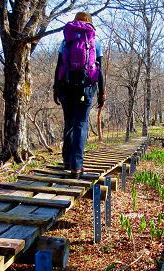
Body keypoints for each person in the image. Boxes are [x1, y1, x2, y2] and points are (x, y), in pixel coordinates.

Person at [53, 12, 105, 179]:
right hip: (86, 88)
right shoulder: (95, 42)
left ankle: (67, 161)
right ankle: (76, 166)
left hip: (66, 87)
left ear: (75, 22)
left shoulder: (66, 41)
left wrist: (56, 88)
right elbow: (100, 70)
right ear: (90, 23)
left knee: (69, 122)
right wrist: (102, 93)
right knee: (80, 124)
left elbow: (59, 66)